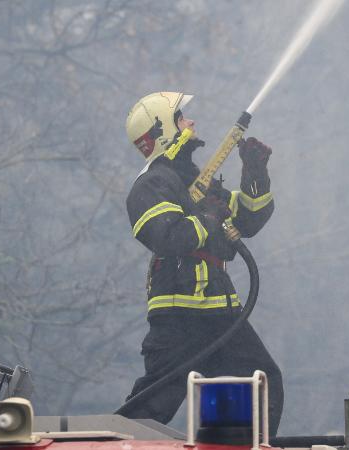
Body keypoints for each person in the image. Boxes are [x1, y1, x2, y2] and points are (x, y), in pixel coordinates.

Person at [120, 92, 283, 435]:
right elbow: (169, 237)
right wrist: (208, 217)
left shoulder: (195, 180)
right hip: (180, 312)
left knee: (256, 386)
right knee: (156, 399)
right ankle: (110, 441)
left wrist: (255, 173)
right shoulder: (151, 185)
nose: (191, 122)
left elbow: (249, 221)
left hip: (218, 309)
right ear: (162, 130)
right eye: (182, 118)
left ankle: (226, 445)